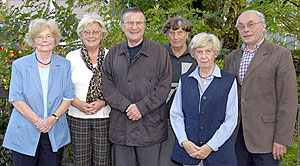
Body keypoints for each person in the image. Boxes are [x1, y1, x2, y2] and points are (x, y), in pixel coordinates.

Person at [223, 10, 298, 166]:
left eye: (251, 25)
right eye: (241, 26)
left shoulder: (280, 55)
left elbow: (288, 100)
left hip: (267, 139)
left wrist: (281, 139)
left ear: (263, 26)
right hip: (237, 137)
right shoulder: (231, 58)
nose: (246, 30)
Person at [101, 8, 172, 166]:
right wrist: (127, 106)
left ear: (144, 25)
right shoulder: (113, 53)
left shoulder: (159, 52)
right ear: (122, 25)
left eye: (138, 23)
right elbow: (107, 85)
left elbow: (164, 86)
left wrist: (141, 107)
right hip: (122, 128)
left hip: (150, 128)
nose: (134, 27)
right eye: (130, 23)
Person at [2, 18, 74, 166]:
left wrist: (52, 119)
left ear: (55, 40)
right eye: (39, 37)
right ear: (33, 41)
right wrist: (39, 122)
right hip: (25, 131)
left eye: (48, 36)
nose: (44, 40)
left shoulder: (64, 64)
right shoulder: (19, 65)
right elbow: (16, 98)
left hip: (54, 131)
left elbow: (68, 96)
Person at [170, 32, 238, 166]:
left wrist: (210, 146)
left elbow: (230, 120)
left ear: (215, 53)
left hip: (219, 154)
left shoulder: (229, 81)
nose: (204, 56)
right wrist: (184, 141)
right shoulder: (185, 80)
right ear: (194, 54)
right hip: (189, 152)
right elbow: (176, 114)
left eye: (208, 51)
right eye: (199, 52)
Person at [66, 13, 111, 166]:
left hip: (104, 117)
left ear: (102, 34)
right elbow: (64, 87)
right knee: (81, 162)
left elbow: (117, 85)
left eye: (95, 31)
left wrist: (103, 102)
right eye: (87, 32)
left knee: (102, 161)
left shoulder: (110, 56)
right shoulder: (71, 57)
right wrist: (76, 103)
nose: (91, 35)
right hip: (78, 116)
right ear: (81, 35)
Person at [160, 17, 197, 166]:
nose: (176, 37)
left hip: (189, 120)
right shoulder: (159, 54)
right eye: (172, 32)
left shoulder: (197, 57)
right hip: (162, 119)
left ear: (188, 34)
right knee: (164, 161)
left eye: (180, 32)